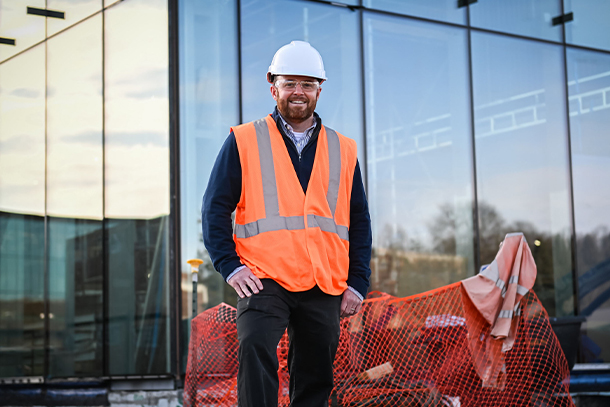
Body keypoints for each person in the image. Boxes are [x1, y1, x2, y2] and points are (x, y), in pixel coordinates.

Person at [202, 40, 372, 407]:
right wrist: (230, 268)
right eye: (290, 83)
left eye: (307, 84)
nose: (299, 92)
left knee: (316, 372)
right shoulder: (244, 140)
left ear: (319, 90)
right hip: (263, 278)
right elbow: (214, 208)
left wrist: (358, 281)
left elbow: (358, 219)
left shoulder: (343, 149)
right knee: (255, 346)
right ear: (273, 87)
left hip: (323, 280)